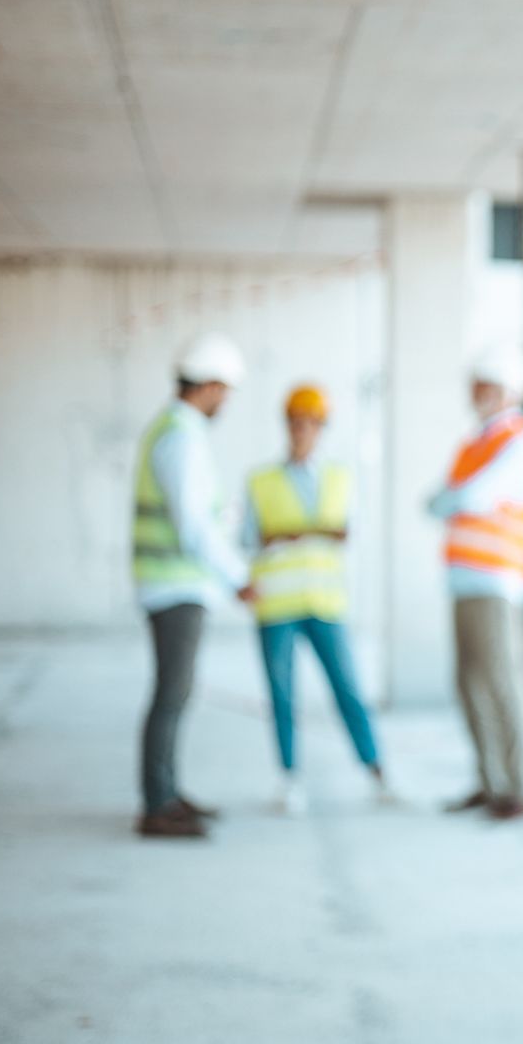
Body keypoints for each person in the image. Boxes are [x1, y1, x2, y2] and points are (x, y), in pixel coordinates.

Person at [241, 384, 393, 815]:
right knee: (282, 695)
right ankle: (289, 778)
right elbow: (247, 538)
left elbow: (352, 532)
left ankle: (376, 771)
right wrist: (289, 535)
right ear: (286, 426)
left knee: (348, 689)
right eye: (295, 423)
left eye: (311, 423)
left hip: (325, 603)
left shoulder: (340, 478)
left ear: (322, 428)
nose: (302, 431)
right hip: (277, 605)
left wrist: (311, 533)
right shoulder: (261, 481)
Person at [130, 331, 254, 840]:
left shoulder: (176, 430)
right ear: (207, 385)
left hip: (175, 584)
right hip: (173, 586)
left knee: (176, 693)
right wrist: (238, 578)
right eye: (224, 389)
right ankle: (158, 804)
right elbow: (192, 526)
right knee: (171, 694)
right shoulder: (180, 436)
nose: (225, 401)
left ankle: (168, 793)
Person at [428, 344, 523, 821]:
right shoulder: (474, 442)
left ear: (508, 390)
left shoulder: (519, 439)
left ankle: (516, 788)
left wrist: (454, 499)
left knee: (501, 682)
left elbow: (472, 496)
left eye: (485, 384)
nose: (475, 393)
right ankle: (489, 780)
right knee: (469, 683)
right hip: (464, 580)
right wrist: (453, 499)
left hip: (497, 581)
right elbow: (442, 500)